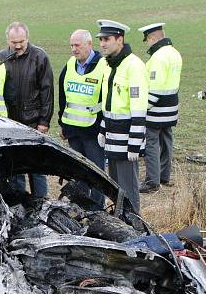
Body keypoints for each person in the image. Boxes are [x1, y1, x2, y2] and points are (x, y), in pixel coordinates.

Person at [0, 21, 54, 198]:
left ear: (27, 38)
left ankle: (42, 203)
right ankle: (20, 205)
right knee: (15, 169)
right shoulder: (0, 58)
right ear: (8, 40)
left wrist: (44, 121)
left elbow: (47, 90)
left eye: (21, 41)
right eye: (14, 42)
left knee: (36, 168)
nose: (18, 45)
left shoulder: (39, 57)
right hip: (9, 123)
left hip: (34, 122)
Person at [96, 19, 148, 214]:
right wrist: (103, 128)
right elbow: (108, 102)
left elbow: (139, 107)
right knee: (116, 186)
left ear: (120, 39)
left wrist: (135, 143)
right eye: (101, 39)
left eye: (107, 39)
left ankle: (134, 223)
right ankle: (120, 219)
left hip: (127, 139)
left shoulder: (134, 65)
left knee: (129, 188)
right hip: (112, 137)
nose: (102, 44)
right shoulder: (108, 64)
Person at [57, 29, 108, 210]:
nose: (74, 49)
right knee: (78, 172)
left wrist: (103, 127)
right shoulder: (70, 65)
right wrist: (62, 123)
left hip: (93, 130)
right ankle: (80, 207)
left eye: (77, 45)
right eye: (71, 45)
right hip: (73, 130)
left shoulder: (103, 66)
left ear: (89, 44)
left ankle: (96, 210)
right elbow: (63, 96)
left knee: (96, 171)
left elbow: (107, 100)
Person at [137, 23, 183, 193]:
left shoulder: (158, 57)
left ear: (152, 38)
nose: (147, 44)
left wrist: (143, 108)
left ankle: (152, 182)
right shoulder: (175, 53)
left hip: (156, 111)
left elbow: (154, 89)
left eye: (147, 40)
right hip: (171, 108)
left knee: (151, 144)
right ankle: (164, 176)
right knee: (166, 142)